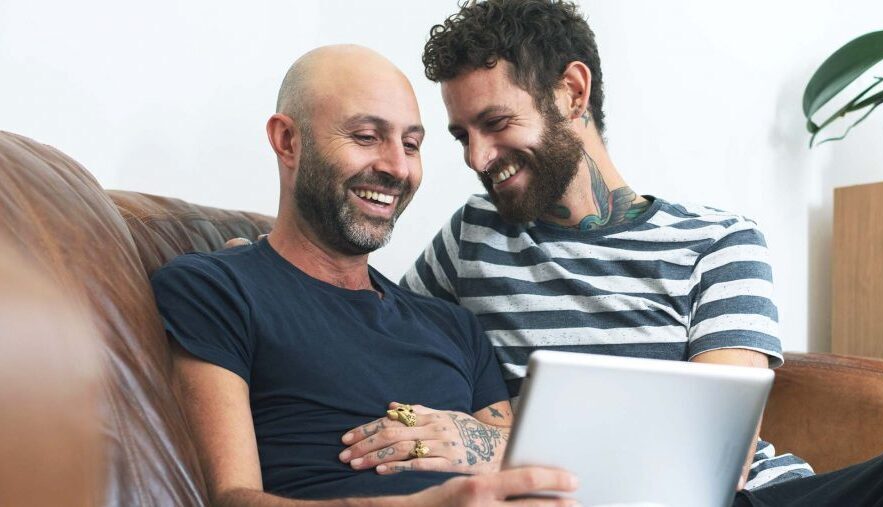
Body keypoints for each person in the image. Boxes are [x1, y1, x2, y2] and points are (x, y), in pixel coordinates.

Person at [348, 1, 883, 505]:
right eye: (462, 135)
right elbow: (374, 341)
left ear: (572, 91)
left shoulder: (718, 241)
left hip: (755, 498)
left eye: (496, 122)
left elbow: (707, 449)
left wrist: (487, 437)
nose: (478, 155)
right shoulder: (471, 240)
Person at [152, 44, 578, 506]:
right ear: (288, 141)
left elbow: (523, 468)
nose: (396, 167)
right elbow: (231, 499)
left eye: (411, 145)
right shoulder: (216, 290)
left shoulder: (453, 327)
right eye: (366, 136)